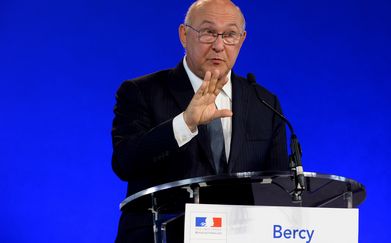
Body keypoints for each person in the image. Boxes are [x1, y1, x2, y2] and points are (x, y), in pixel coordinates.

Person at [111, 0, 289, 242]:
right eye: (208, 33)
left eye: (229, 35)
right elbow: (125, 163)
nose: (218, 45)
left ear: (242, 39)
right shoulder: (141, 92)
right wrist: (185, 123)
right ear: (184, 35)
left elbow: (279, 190)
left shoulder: (265, 103)